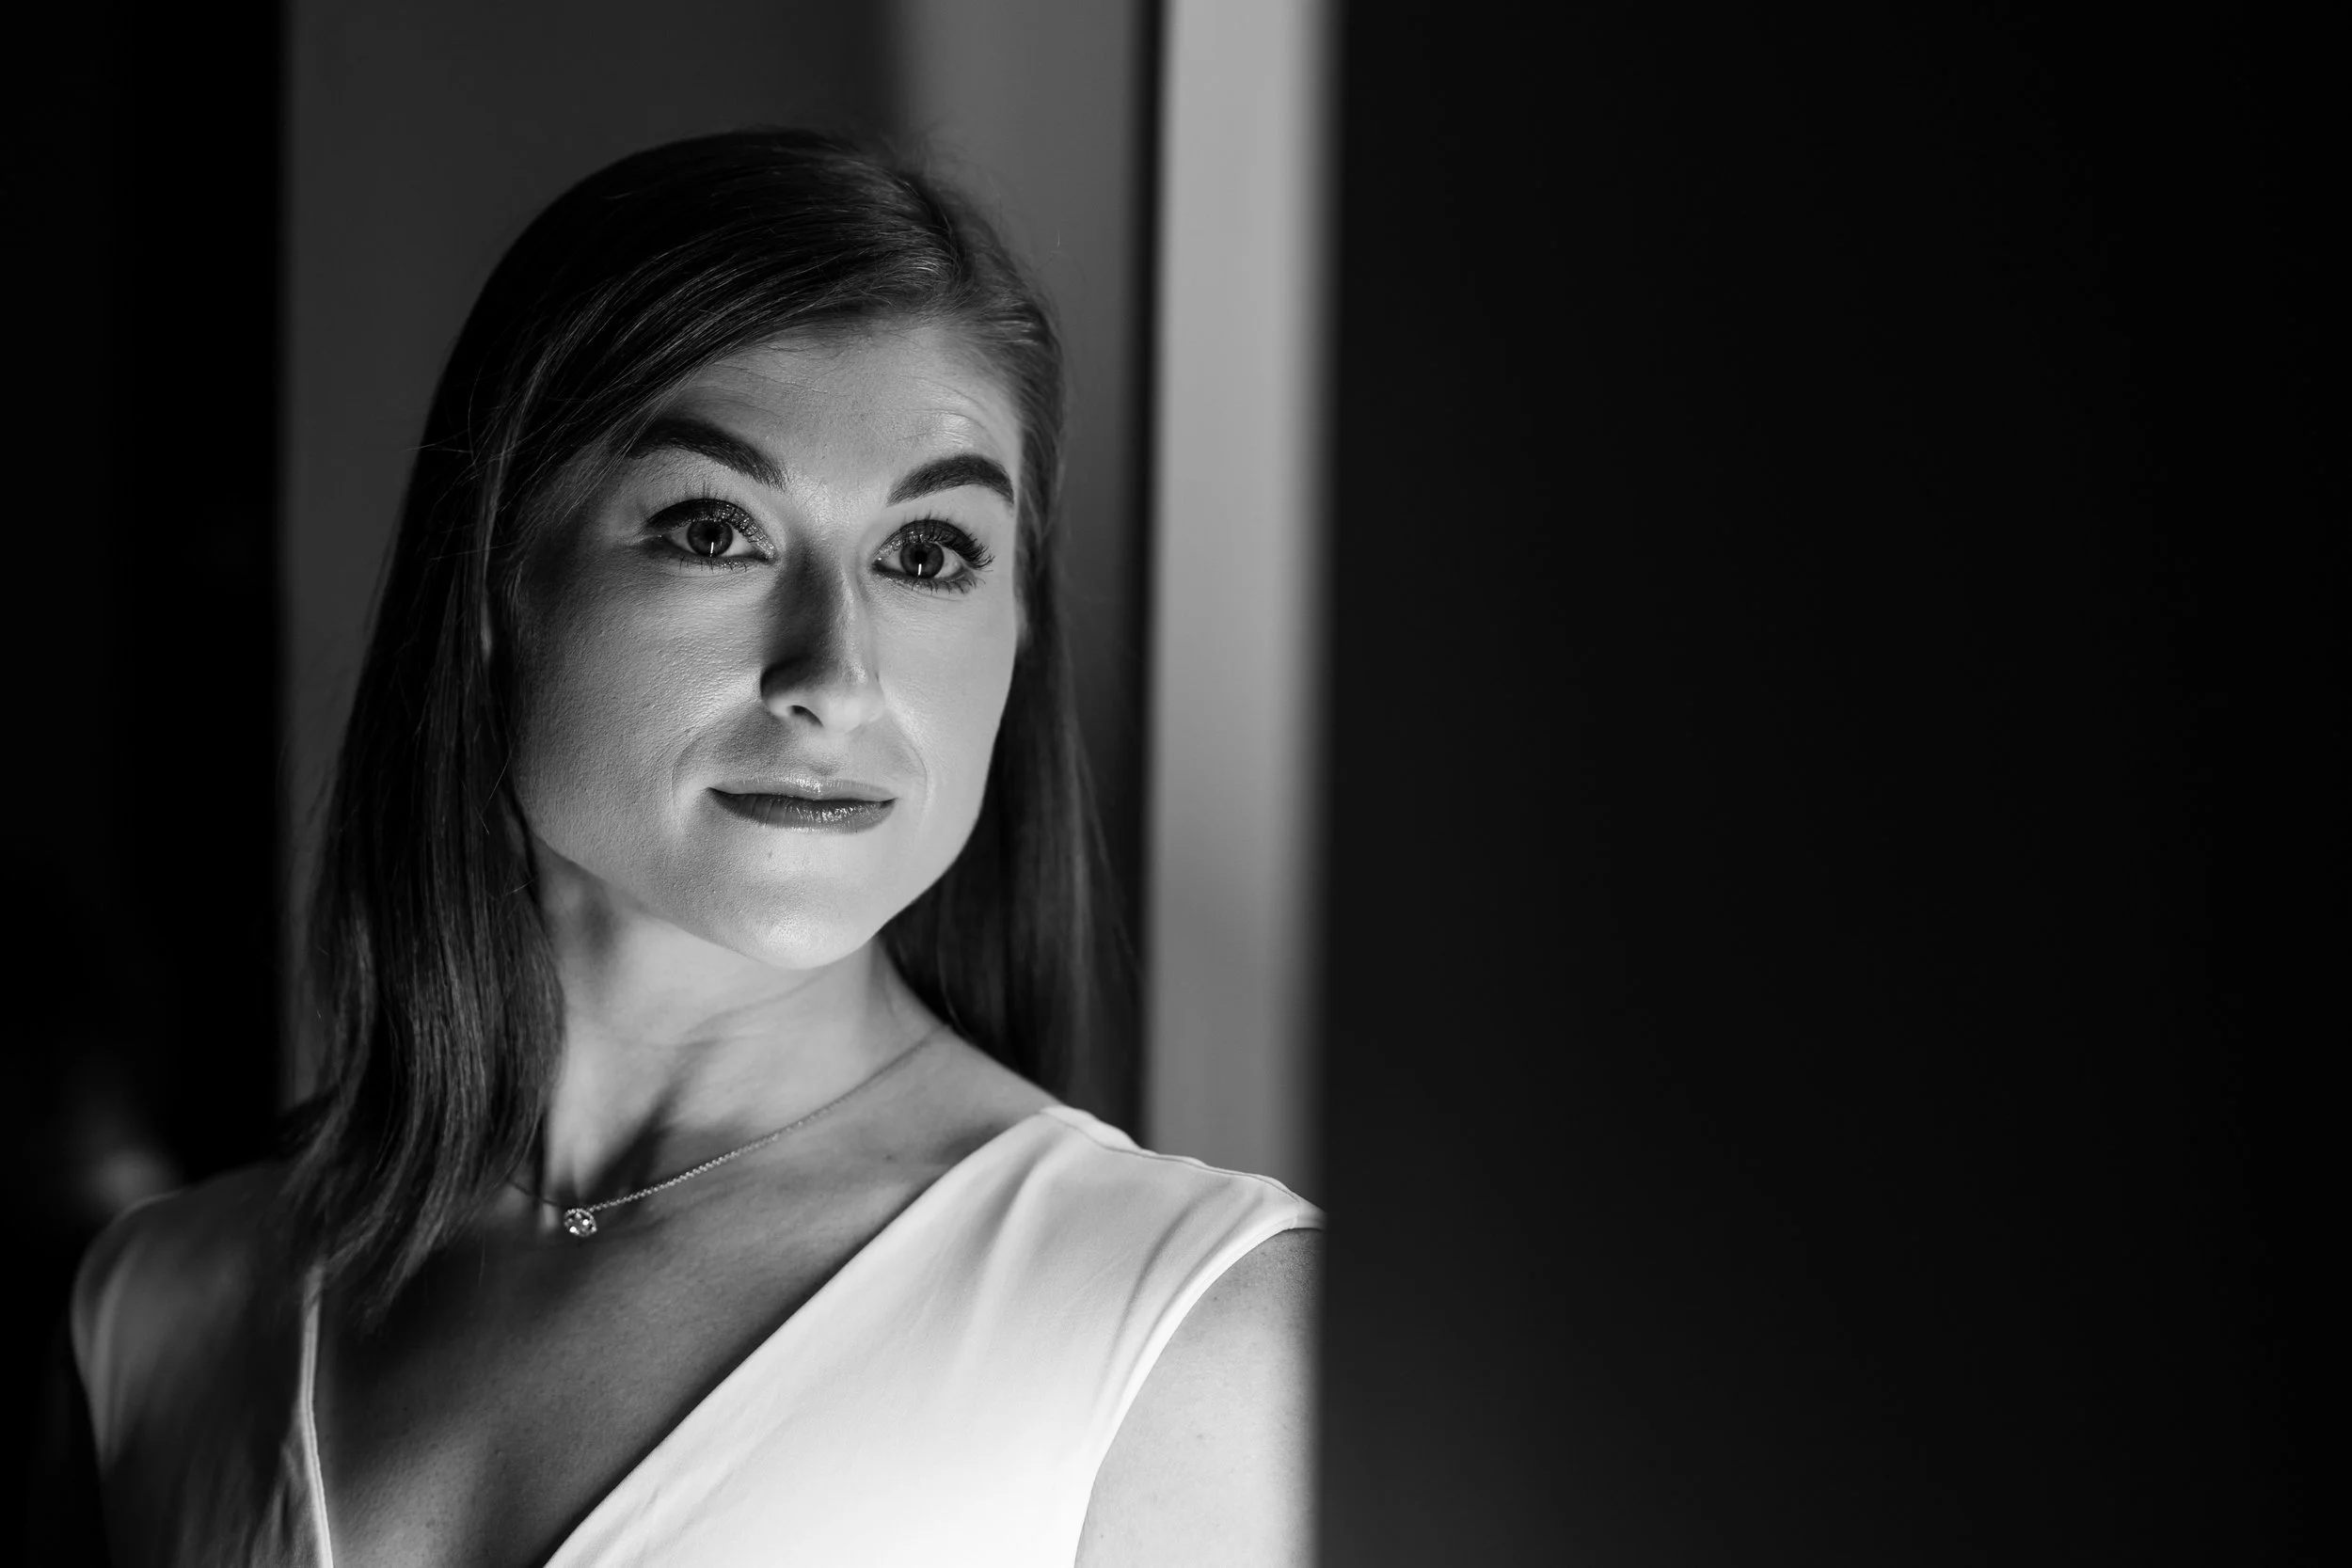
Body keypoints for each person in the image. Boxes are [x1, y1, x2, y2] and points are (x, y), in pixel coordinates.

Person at [59, 130, 1322, 1567]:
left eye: (929, 554)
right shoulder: (161, 1310)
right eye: (715, 528)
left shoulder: (1200, 1347)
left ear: (1017, 631)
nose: (834, 676)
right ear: (490, 584)